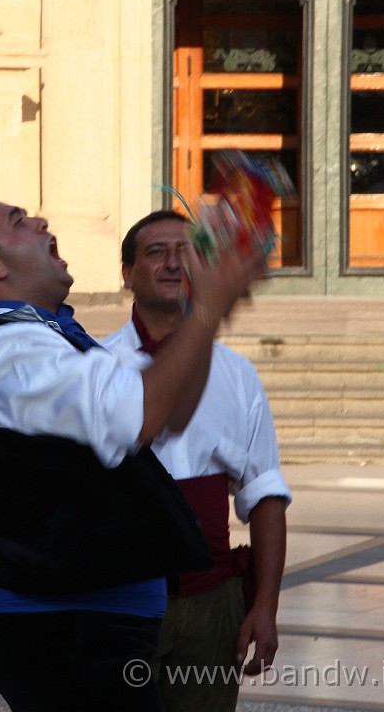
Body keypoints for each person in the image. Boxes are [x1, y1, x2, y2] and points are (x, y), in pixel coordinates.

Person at [0, 199, 265, 712]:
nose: (42, 221)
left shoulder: (43, 337)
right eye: (19, 222)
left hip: (87, 620)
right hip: (63, 625)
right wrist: (210, 304)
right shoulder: (6, 351)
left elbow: (166, 416)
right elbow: (141, 414)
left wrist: (203, 312)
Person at [104, 210, 291, 712]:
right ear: (126, 273)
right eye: (155, 251)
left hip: (213, 608)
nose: (173, 263)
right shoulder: (95, 368)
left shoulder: (237, 375)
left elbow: (266, 492)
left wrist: (265, 606)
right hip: (118, 606)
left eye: (187, 251)